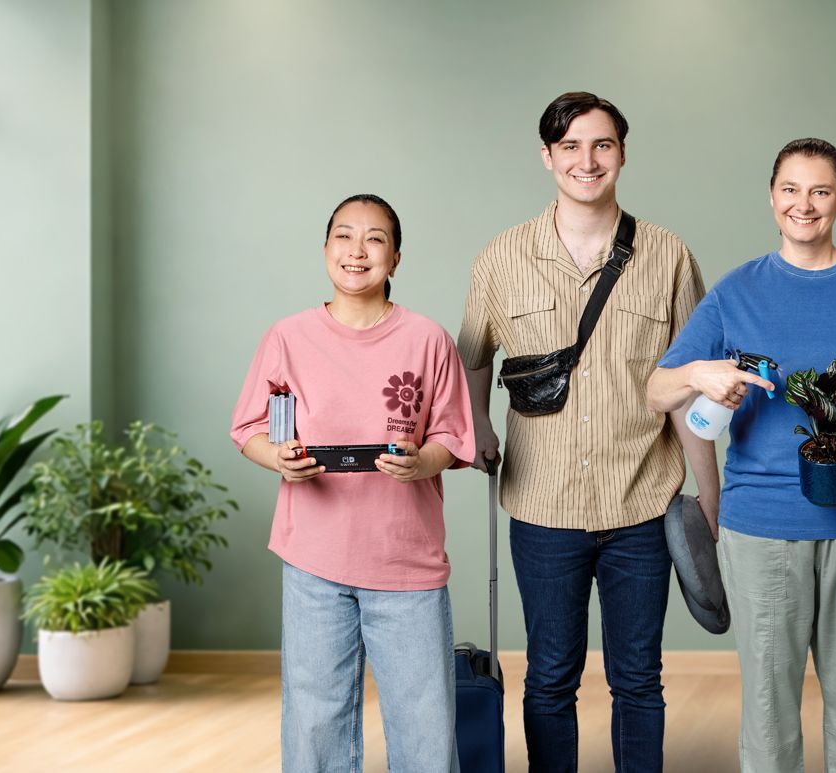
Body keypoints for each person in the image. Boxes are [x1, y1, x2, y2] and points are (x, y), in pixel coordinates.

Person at [647, 138, 836, 773]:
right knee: (770, 702)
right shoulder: (736, 291)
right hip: (762, 526)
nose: (805, 204)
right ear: (772, 197)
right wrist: (700, 372)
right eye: (791, 190)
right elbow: (657, 390)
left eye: (820, 190)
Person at [456, 91, 717, 773]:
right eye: (569, 146)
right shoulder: (500, 258)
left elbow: (690, 382)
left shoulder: (668, 255)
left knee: (639, 679)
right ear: (546, 157)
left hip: (644, 501)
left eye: (601, 144)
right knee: (549, 677)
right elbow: (472, 355)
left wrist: (710, 497)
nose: (586, 159)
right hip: (542, 506)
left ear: (622, 154)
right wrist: (479, 423)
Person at [231, 193, 475, 772]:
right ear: (325, 250)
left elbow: (454, 436)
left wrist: (422, 463)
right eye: (344, 236)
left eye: (374, 239)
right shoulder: (287, 337)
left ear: (395, 257)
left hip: (405, 560)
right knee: (315, 720)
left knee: (424, 722)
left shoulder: (427, 339)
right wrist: (280, 460)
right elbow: (249, 428)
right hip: (313, 556)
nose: (357, 250)